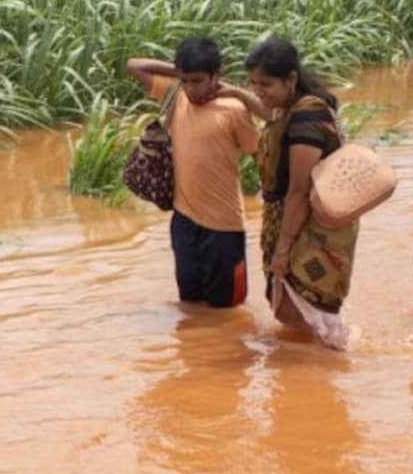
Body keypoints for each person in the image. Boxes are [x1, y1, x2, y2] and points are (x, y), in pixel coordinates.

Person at [230, 37, 362, 349]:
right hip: (296, 220)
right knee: (297, 309)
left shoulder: (306, 118)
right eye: (252, 84)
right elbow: (270, 113)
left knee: (302, 309)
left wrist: (283, 250)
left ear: (290, 79)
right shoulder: (293, 108)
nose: (259, 92)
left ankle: (328, 367)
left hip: (306, 225)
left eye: (265, 84)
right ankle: (324, 360)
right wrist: (235, 93)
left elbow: (299, 191)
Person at [127, 38, 261, 308]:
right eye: (185, 80)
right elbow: (134, 65)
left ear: (216, 77)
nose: (190, 88)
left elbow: (259, 156)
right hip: (184, 222)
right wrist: (179, 70)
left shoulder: (234, 111)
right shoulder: (176, 97)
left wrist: (235, 92)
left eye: (197, 81)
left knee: (228, 311)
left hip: (224, 228)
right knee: (190, 305)